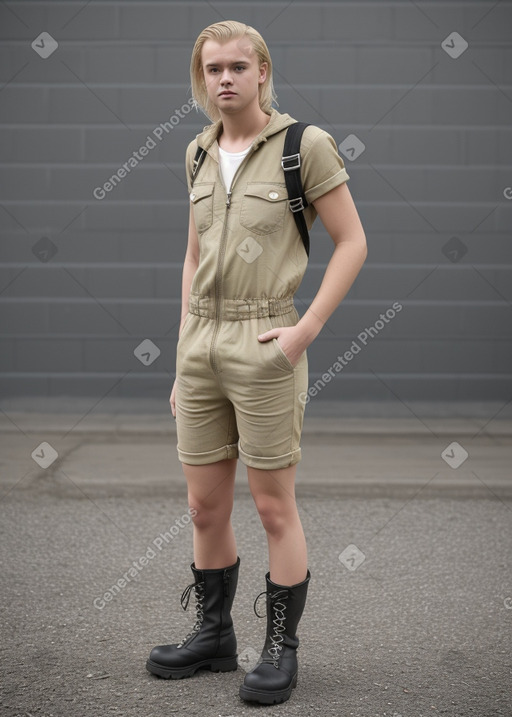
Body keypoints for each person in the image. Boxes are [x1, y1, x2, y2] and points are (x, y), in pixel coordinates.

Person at [146, 20, 367, 705]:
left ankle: (279, 647)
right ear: (201, 76)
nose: (225, 79)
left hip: (267, 342)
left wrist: (305, 329)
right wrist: (183, 359)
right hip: (201, 345)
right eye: (213, 69)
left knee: (273, 507)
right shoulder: (197, 151)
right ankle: (213, 636)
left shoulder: (306, 146)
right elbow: (193, 257)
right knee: (202, 503)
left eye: (239, 66)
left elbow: (353, 241)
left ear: (263, 71)